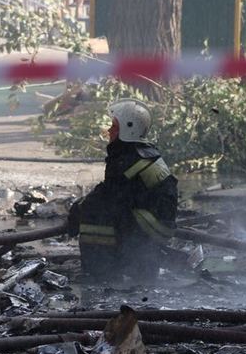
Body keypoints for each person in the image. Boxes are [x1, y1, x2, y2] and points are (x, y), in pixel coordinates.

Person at [68, 99, 178, 282]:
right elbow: (114, 191)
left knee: (94, 210)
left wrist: (78, 209)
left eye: (114, 126)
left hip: (155, 227)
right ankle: (129, 264)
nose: (109, 131)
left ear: (128, 129)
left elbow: (108, 197)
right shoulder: (138, 152)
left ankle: (100, 270)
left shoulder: (128, 158)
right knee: (97, 206)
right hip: (156, 222)